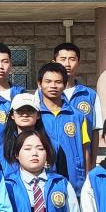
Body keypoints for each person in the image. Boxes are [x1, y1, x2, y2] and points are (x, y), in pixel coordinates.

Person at [36, 62, 90, 193]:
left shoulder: (77, 116)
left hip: (74, 180)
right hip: (42, 180)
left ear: (65, 85)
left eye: (58, 82)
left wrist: (87, 180)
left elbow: (85, 150)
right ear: (39, 84)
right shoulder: (35, 115)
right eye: (48, 81)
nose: (53, 86)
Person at [53, 42, 103, 164]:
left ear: (78, 63)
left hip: (81, 161)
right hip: (53, 161)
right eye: (63, 59)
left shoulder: (90, 95)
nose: (67, 64)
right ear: (54, 62)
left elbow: (95, 131)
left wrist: (92, 163)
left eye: (72, 59)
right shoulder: (42, 95)